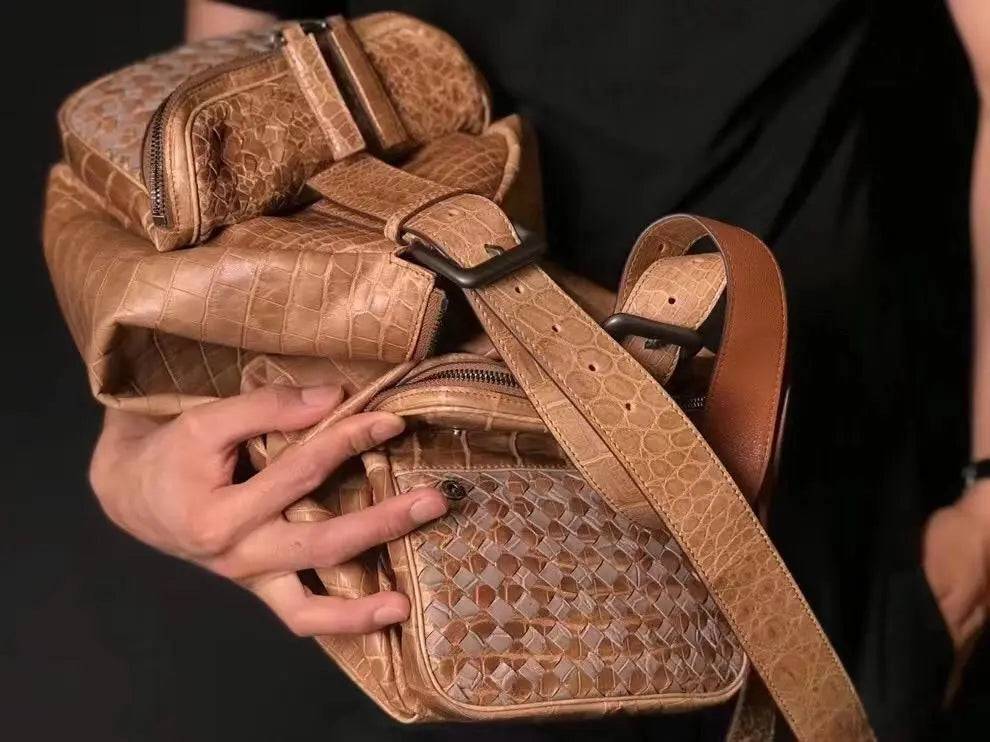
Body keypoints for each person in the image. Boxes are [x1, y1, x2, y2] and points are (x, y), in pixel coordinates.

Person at [87, 1, 990, 738]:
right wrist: (133, 443)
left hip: (818, 512)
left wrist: (989, 508)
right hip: (430, 540)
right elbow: (214, 125)